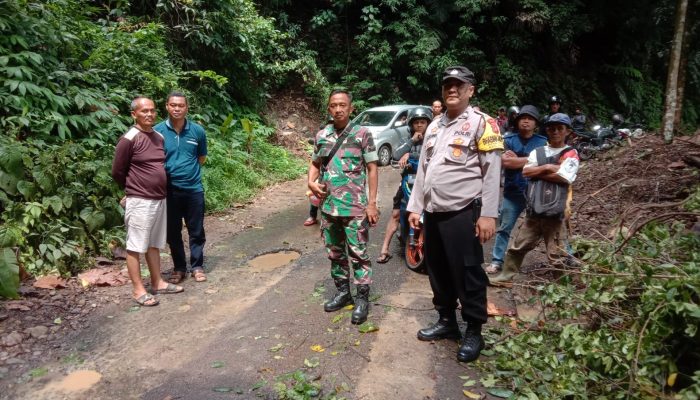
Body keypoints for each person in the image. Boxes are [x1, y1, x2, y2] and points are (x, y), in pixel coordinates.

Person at [407, 66, 503, 363]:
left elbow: (492, 171)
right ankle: (447, 321)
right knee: (437, 269)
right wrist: (415, 206)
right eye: (447, 84)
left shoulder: (483, 124)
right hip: (433, 212)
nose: (452, 89)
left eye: (458, 85)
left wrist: (488, 214)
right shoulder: (435, 125)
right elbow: (423, 169)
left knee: (468, 273)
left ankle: (474, 330)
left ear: (470, 90)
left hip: (463, 212)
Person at [308, 89, 379, 325]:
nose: (338, 109)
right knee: (335, 253)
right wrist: (310, 181)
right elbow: (315, 162)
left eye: (342, 105)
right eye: (333, 105)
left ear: (351, 108)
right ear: (328, 108)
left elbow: (372, 168)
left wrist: (372, 203)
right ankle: (343, 293)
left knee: (359, 254)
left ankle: (362, 299)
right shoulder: (322, 135)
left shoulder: (362, 134)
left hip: (355, 209)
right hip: (329, 208)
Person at [489, 113, 579, 285]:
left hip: (556, 210)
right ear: (547, 129)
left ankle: (562, 288)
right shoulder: (539, 151)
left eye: (560, 128)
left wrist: (539, 171)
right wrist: (548, 167)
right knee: (519, 246)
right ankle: (505, 277)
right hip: (534, 208)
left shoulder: (570, 153)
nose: (555, 132)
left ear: (567, 131)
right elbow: (526, 172)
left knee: (556, 252)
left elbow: (565, 177)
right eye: (552, 128)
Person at [112, 96, 184, 306]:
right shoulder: (129, 138)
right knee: (135, 246)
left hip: (159, 199)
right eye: (144, 111)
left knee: (154, 244)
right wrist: (132, 190)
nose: (149, 114)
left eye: (152, 111)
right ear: (134, 114)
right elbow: (118, 170)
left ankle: (157, 282)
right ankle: (138, 290)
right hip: (140, 200)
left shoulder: (158, 137)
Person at [485, 105, 548, 275]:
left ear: (535, 123)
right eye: (523, 118)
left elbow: (546, 164)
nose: (526, 121)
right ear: (517, 120)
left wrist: (519, 160)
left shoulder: (543, 142)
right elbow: (505, 162)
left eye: (530, 118)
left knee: (547, 226)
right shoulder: (509, 139)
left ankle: (562, 258)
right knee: (504, 228)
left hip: (536, 193)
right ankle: (497, 261)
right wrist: (533, 160)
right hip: (513, 193)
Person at [153, 92, 208, 284]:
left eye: (181, 106)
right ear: (166, 106)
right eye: (173, 105)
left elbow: (201, 157)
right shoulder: (157, 132)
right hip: (168, 190)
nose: (177, 109)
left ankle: (197, 266)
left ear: (187, 108)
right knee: (172, 231)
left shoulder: (197, 131)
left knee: (196, 229)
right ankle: (179, 267)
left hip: (193, 188)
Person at [376, 107, 431, 263]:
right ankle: (384, 249)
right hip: (407, 183)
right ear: (411, 125)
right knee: (395, 214)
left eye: (423, 122)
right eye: (416, 123)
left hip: (426, 185)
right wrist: (412, 141)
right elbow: (396, 154)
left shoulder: (433, 139)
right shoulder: (408, 139)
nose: (419, 125)